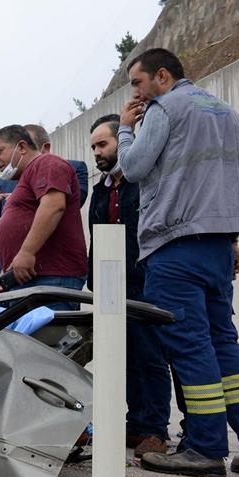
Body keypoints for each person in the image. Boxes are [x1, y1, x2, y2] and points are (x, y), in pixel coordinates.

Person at [117, 48, 239, 477]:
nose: (135, 91)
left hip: (175, 244)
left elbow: (132, 169)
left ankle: (205, 448)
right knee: (224, 343)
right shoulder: (226, 111)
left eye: (137, 82)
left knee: (189, 346)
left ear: (163, 76)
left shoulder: (164, 108)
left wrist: (125, 128)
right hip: (218, 245)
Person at [86, 113, 172, 457]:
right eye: (93, 146)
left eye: (102, 144)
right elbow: (96, 237)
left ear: (123, 141)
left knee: (150, 358)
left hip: (144, 281)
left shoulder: (146, 181)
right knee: (123, 359)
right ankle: (135, 425)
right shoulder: (100, 191)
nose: (97, 152)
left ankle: (154, 430)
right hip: (110, 287)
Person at [0, 124, 87, 309]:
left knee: (46, 338)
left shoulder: (47, 163)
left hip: (50, 279)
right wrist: (6, 269)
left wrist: (26, 252)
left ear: (22, 147)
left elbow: (54, 206)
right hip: (30, 281)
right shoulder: (24, 180)